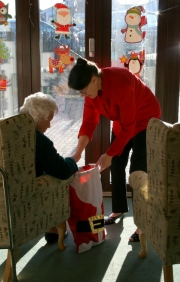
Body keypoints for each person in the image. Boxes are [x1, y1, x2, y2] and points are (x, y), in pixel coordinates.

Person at [68, 58, 161, 242]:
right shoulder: (91, 94)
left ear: (94, 79)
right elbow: (88, 123)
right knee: (117, 164)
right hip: (123, 122)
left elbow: (130, 127)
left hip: (146, 119)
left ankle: (142, 224)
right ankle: (118, 209)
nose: (83, 95)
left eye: (83, 91)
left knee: (138, 171)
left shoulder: (122, 84)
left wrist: (109, 153)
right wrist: (77, 152)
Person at [20, 92, 78, 242]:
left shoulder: (11, 131)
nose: (50, 125)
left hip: (0, 194)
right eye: (49, 120)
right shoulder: (38, 140)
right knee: (59, 179)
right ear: (39, 118)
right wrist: (72, 160)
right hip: (28, 195)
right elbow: (63, 170)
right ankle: (52, 229)